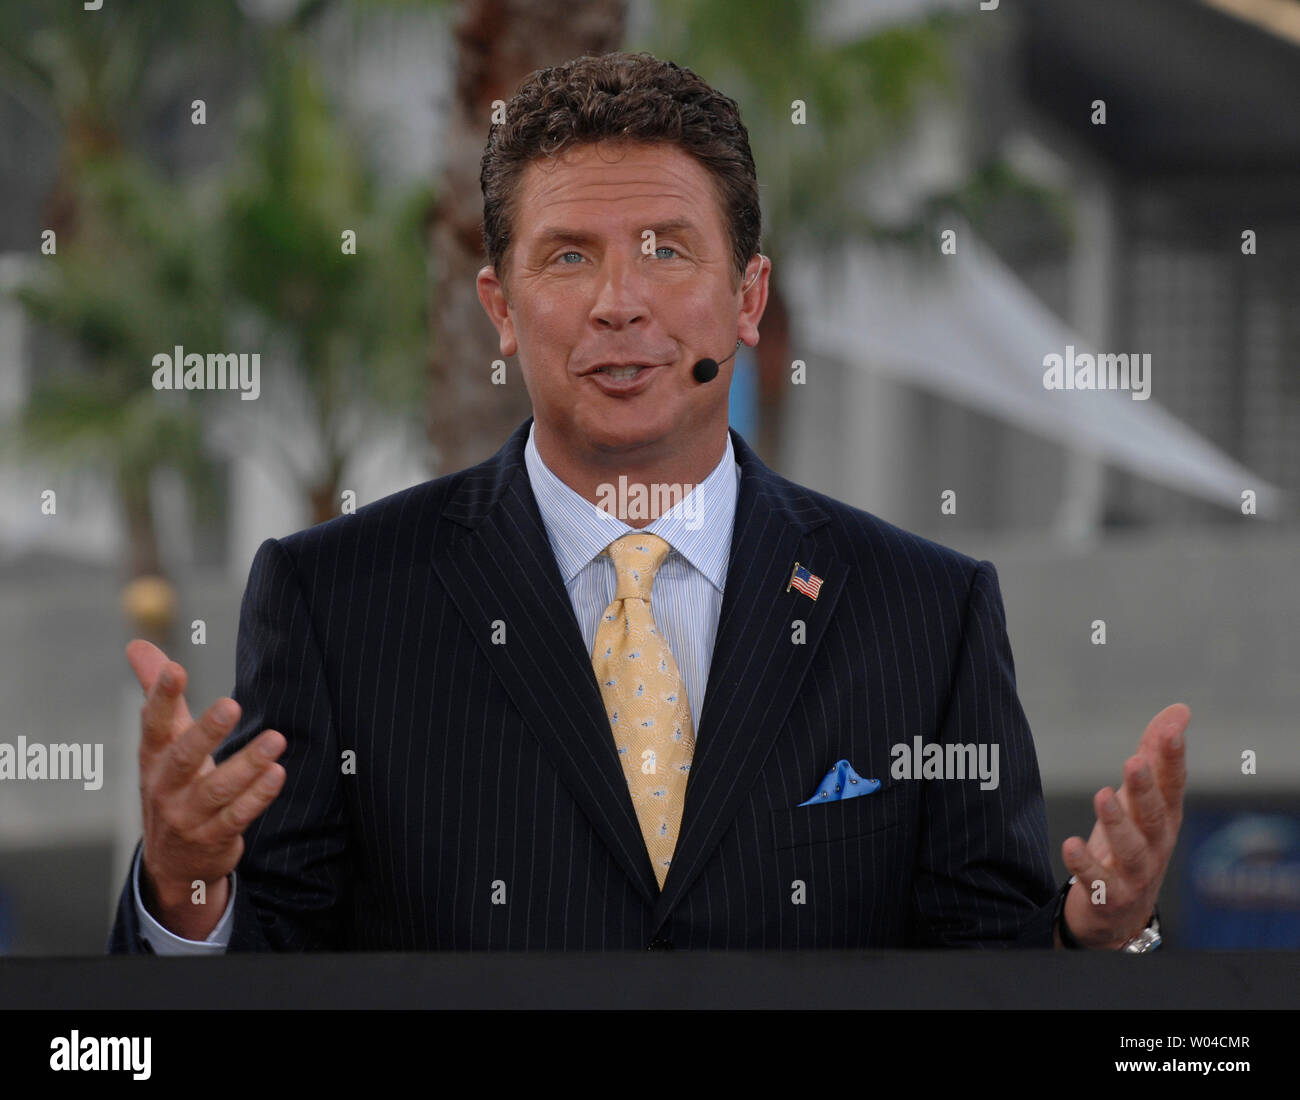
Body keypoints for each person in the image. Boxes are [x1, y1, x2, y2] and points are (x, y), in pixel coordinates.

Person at [109, 51, 1186, 954]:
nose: (620, 303)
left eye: (667, 251)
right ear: (499, 306)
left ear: (748, 298)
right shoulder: (338, 601)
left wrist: (1095, 934)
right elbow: (263, 982)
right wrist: (187, 890)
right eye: (568, 256)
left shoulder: (924, 611)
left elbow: (985, 972)